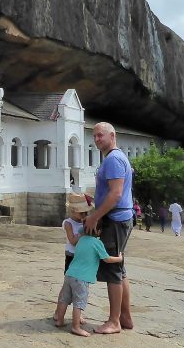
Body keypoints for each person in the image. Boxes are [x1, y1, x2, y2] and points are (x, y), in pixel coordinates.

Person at [82, 122, 134, 335]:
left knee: (112, 269)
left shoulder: (113, 159)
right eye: (94, 136)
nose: (96, 140)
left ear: (112, 135)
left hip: (115, 219)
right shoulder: (116, 157)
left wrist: (95, 216)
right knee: (120, 269)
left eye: (100, 136)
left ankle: (114, 321)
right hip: (119, 217)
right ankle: (125, 316)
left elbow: (115, 194)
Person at [59, 227, 124, 337]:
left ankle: (59, 320)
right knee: (78, 303)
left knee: (64, 299)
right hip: (82, 278)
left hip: (69, 274)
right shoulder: (97, 243)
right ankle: (75, 327)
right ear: (98, 231)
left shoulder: (81, 239)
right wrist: (119, 259)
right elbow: (106, 259)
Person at [54, 193, 88, 328]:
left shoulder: (85, 221)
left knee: (80, 286)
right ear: (73, 211)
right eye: (81, 214)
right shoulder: (68, 223)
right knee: (67, 285)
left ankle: (78, 312)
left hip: (82, 256)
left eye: (86, 213)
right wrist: (83, 232)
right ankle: (58, 312)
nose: (84, 216)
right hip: (71, 256)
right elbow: (73, 241)